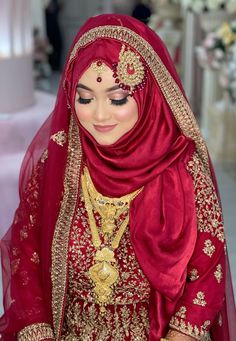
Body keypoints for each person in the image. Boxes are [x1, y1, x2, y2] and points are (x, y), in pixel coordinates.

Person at [0, 14, 235, 341]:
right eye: (84, 98)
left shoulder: (182, 167)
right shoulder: (59, 162)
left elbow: (208, 272)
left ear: (147, 93)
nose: (99, 115)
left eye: (117, 98)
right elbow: (26, 253)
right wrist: (38, 333)